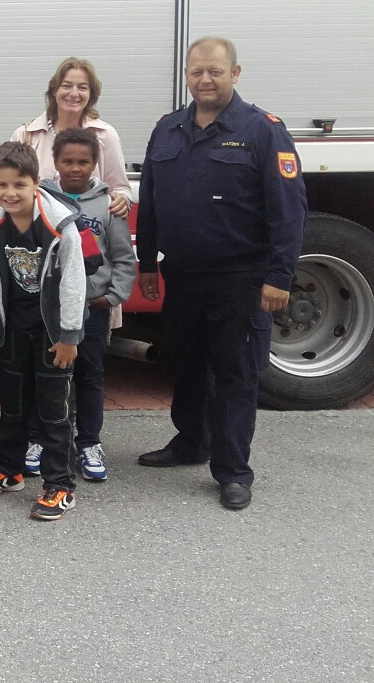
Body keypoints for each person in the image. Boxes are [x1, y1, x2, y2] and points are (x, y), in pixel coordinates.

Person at [136, 37, 306, 511]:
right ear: (186, 76)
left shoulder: (264, 130)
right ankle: (191, 442)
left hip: (241, 277)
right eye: (196, 73)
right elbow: (149, 200)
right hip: (183, 275)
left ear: (235, 73)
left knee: (235, 373)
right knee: (186, 363)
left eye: (214, 71)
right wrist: (147, 261)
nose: (204, 80)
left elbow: (289, 211)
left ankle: (233, 471)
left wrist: (279, 276)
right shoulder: (168, 129)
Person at [0, 141, 89, 522]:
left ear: (36, 183)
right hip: (14, 328)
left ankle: (59, 485)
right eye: (1, 185)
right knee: (13, 406)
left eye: (19, 185)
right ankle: (8, 469)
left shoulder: (60, 225)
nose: (10, 193)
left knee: (54, 412)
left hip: (52, 332)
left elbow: (74, 283)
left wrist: (69, 336)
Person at [49, 128, 136, 482]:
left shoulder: (107, 205)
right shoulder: (44, 199)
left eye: (83, 162)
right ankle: (48, 441)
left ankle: (88, 443)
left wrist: (112, 297)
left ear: (95, 164)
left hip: (93, 308)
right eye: (67, 161)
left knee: (90, 376)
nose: (75, 168)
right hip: (54, 311)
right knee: (54, 377)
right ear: (55, 163)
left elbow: (123, 257)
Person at [10, 57, 132, 218]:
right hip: (39, 233)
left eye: (82, 88)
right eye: (66, 86)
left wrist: (122, 200)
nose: (74, 94)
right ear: (54, 91)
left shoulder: (105, 135)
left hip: (87, 234)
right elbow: (8, 186)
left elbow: (121, 188)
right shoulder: (25, 135)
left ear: (91, 95)